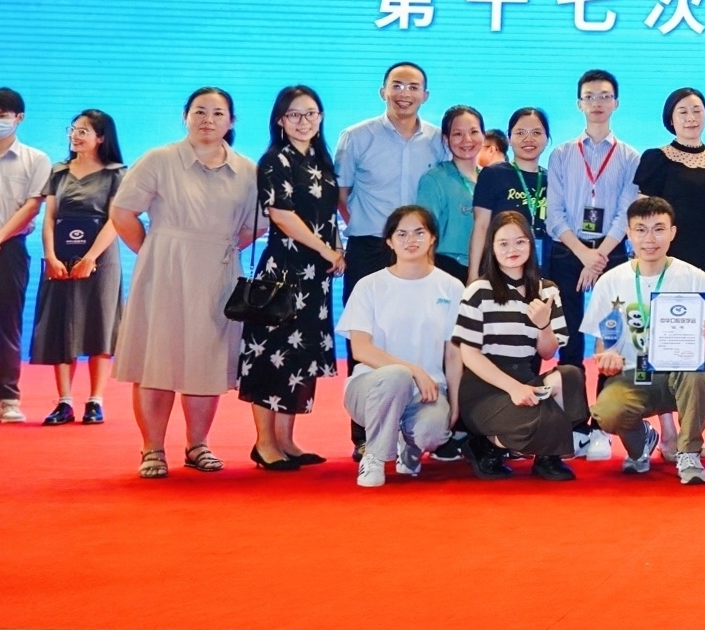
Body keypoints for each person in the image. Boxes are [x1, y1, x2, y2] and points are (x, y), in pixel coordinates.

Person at [110, 87, 261, 478]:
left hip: (218, 273)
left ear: (232, 121)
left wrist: (217, 247)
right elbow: (122, 212)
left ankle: (197, 445)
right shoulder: (159, 159)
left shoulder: (247, 170)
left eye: (218, 113)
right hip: (164, 269)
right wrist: (154, 250)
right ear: (185, 116)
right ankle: (152, 449)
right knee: (156, 360)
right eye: (200, 111)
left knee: (206, 361)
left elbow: (253, 227)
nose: (208, 120)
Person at [584, 196, 705, 486]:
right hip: (632, 375)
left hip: (680, 374)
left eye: (659, 229)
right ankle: (640, 445)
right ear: (628, 233)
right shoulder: (611, 281)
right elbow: (602, 344)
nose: (650, 239)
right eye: (641, 229)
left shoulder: (695, 278)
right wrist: (607, 359)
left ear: (673, 232)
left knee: (699, 371)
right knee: (607, 413)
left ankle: (689, 452)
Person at [242, 86, 342, 470]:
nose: (304, 121)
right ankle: (265, 443)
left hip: (316, 277)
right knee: (270, 355)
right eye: (294, 114)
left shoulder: (321, 160)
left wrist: (337, 248)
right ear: (281, 120)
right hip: (284, 272)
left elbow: (328, 215)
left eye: (311, 113)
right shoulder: (274, 160)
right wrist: (326, 250)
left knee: (300, 356)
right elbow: (282, 215)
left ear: (320, 118)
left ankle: (286, 440)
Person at [338, 205, 466, 487]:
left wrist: (455, 402)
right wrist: (414, 371)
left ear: (432, 238)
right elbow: (361, 349)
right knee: (397, 375)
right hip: (371, 387)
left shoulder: (451, 287)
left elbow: (453, 353)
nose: (411, 240)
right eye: (402, 234)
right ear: (389, 241)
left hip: (428, 392)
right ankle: (374, 456)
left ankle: (410, 446)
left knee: (433, 432)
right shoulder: (370, 285)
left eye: (419, 232)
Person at [453, 210, 584, 481]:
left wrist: (543, 325)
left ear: (531, 244)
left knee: (571, 376)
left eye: (520, 241)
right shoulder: (478, 290)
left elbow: (548, 352)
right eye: (503, 243)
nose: (512, 249)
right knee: (534, 422)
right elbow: (469, 354)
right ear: (492, 247)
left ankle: (546, 457)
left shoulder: (547, 290)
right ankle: (485, 445)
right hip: (484, 386)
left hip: (525, 376)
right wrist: (513, 388)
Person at [30, 110, 123, 425]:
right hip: (61, 257)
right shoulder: (59, 171)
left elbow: (116, 220)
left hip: (101, 259)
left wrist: (91, 258)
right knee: (61, 323)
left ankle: (95, 401)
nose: (75, 135)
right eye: (73, 129)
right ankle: (64, 402)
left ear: (101, 138)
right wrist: (51, 256)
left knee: (100, 322)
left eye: (83, 131)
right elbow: (49, 218)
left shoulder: (116, 173)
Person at [546, 70, 640, 371]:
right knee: (569, 334)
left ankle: (608, 399)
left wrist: (598, 256)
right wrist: (584, 254)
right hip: (568, 251)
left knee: (612, 332)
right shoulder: (561, 154)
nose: (597, 103)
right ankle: (572, 398)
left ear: (616, 103)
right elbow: (554, 214)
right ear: (579, 104)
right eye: (589, 97)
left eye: (604, 96)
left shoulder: (630, 157)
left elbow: (625, 214)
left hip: (611, 252)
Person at [0, 87, 51, 423]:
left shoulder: (36, 159)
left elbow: (33, 206)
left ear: (19, 118)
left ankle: (8, 399)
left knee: (8, 325)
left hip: (10, 249)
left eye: (2, 115)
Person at [334, 63, 446, 297]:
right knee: (363, 317)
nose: (404, 94)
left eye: (413, 87)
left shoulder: (438, 140)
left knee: (417, 316)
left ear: (425, 96)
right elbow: (340, 194)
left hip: (419, 248)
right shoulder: (356, 137)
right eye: (397, 86)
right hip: (369, 246)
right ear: (383, 92)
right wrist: (365, 224)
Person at [632, 87, 705, 296]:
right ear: (671, 119)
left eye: (697, 111)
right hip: (668, 252)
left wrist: (702, 224)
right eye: (683, 112)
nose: (691, 118)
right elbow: (642, 212)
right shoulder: (656, 159)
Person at [470, 106, 549, 275]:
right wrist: (473, 274)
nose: (528, 139)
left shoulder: (552, 180)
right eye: (520, 133)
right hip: (498, 271)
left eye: (536, 133)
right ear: (509, 138)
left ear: (547, 138)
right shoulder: (492, 174)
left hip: (542, 271)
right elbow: (481, 226)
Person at [414, 105, 485, 281]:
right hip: (447, 268)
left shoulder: (490, 178)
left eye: (474, 132)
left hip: (487, 268)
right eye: (458, 134)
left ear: (483, 135)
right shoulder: (435, 179)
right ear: (446, 139)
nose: (467, 140)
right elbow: (424, 232)